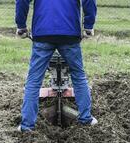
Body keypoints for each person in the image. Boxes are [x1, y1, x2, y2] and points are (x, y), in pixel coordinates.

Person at [15, 0, 98, 132]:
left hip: (43, 33)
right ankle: (86, 119)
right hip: (69, 33)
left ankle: (27, 126)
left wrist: (21, 25)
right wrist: (88, 26)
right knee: (78, 76)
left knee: (34, 80)